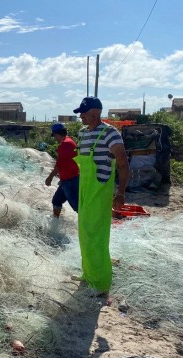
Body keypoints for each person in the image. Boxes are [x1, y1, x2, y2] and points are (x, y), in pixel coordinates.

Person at [72, 96, 129, 295]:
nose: (80, 117)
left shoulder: (110, 134)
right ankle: (89, 274)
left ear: (95, 113)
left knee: (97, 235)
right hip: (85, 190)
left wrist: (120, 193)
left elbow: (123, 164)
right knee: (84, 233)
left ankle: (101, 283)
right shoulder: (82, 134)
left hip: (100, 191)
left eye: (83, 113)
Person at [45, 122, 80, 218]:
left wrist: (50, 177)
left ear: (57, 134)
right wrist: (62, 178)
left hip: (71, 181)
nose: (55, 138)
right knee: (56, 200)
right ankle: (56, 222)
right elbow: (67, 162)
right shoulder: (69, 141)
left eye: (55, 136)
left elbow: (59, 165)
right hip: (67, 179)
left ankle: (90, 226)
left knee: (77, 207)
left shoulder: (65, 144)